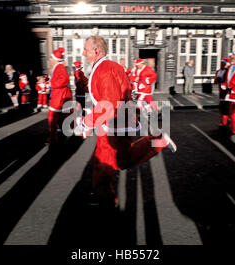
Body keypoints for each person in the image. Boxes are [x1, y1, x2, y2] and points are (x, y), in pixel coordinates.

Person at [75, 36, 177, 207]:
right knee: (108, 161)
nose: (83, 53)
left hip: (115, 123)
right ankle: (102, 195)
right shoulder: (108, 67)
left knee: (110, 162)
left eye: (86, 49)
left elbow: (109, 103)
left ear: (96, 51)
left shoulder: (105, 69)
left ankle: (104, 198)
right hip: (117, 121)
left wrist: (87, 122)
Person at [47, 47, 73, 145]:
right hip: (60, 96)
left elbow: (64, 79)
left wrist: (51, 83)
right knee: (61, 118)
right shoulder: (57, 67)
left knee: (52, 118)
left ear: (55, 59)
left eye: (51, 58)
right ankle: (57, 136)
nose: (49, 59)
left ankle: (53, 139)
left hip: (60, 97)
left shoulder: (59, 67)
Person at [214, 58, 231, 127]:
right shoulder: (218, 71)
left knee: (228, 107)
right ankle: (224, 121)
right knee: (221, 107)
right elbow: (216, 81)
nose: (222, 65)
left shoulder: (229, 71)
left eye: (224, 63)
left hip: (228, 92)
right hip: (221, 92)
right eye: (221, 63)